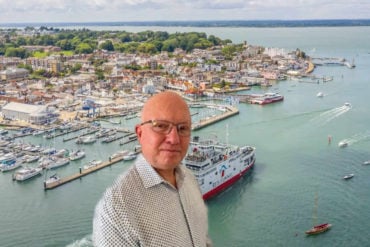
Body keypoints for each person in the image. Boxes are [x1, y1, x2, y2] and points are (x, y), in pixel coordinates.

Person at [93, 91, 212, 247]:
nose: (174, 139)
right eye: (161, 126)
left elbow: (202, 238)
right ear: (140, 133)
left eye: (182, 128)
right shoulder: (117, 208)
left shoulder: (189, 178)